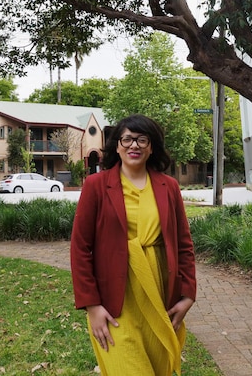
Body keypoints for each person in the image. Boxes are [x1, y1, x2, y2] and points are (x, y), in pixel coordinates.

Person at [70, 114, 196, 376]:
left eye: (142, 140)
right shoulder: (96, 185)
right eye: (127, 139)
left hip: (159, 293)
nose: (134, 145)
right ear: (117, 145)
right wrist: (92, 306)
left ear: (152, 147)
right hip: (115, 300)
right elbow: (80, 248)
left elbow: (184, 244)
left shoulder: (168, 186)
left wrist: (188, 295)